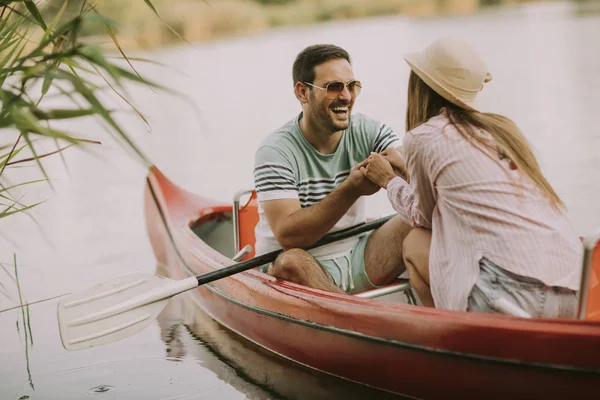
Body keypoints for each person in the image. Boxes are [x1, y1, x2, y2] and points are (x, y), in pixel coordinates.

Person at [360, 37, 582, 318]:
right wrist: (406, 168)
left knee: (415, 241)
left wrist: (388, 180)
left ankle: (446, 338)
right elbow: (463, 187)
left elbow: (422, 218)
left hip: (513, 299)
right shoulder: (503, 129)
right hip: (576, 290)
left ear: (421, 87)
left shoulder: (423, 137)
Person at [253, 44, 412, 294]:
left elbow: (416, 175)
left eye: (352, 86)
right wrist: (351, 189)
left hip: (360, 257)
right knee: (291, 260)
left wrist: (404, 166)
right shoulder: (274, 151)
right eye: (334, 87)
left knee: (419, 220)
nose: (347, 96)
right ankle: (358, 321)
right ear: (303, 92)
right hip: (300, 269)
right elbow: (289, 237)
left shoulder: (371, 130)